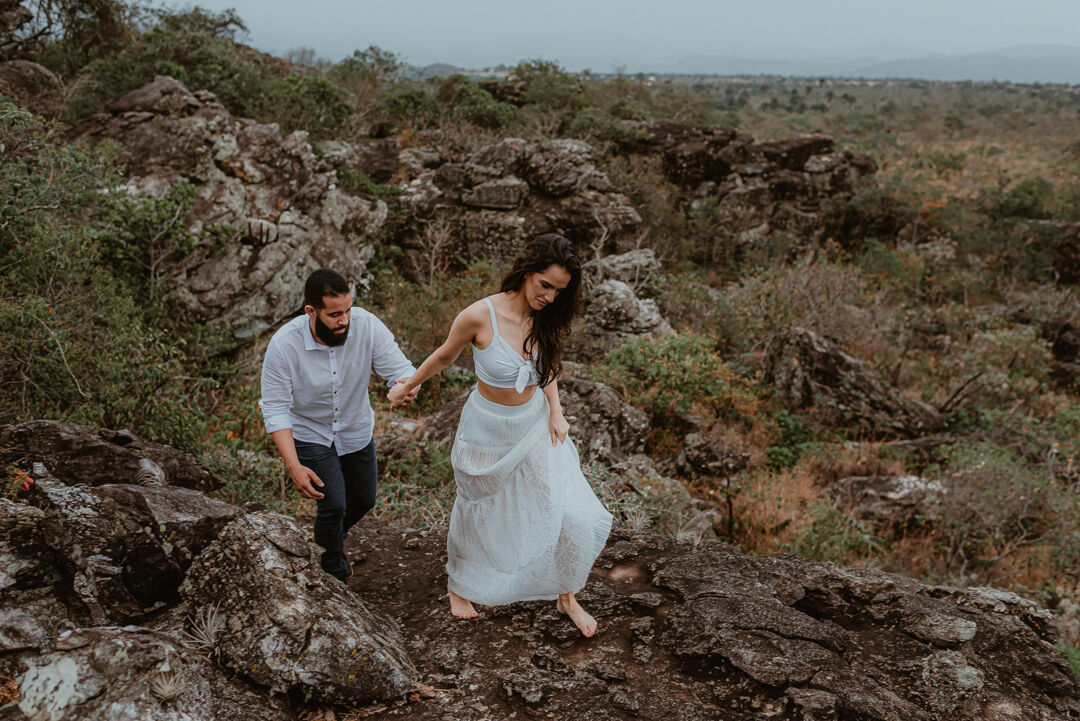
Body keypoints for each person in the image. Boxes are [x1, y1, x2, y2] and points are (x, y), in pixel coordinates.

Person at [388, 234, 613, 637]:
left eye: (559, 291)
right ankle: (459, 584)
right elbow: (444, 354)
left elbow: (549, 367)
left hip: (534, 424)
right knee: (477, 506)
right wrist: (408, 385)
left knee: (570, 511)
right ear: (527, 271)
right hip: (487, 428)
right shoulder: (478, 315)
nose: (550, 297)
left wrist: (557, 413)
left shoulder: (546, 318)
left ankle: (566, 595)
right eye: (546, 285)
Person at [260, 269, 419, 582]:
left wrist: (405, 388)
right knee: (332, 504)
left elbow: (402, 371)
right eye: (334, 314)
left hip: (355, 427)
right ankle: (332, 567)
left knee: (363, 500)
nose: (344, 319)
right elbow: (276, 409)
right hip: (309, 432)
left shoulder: (366, 325)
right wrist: (294, 466)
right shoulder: (283, 345)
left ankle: (325, 539)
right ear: (311, 311)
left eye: (347, 309)